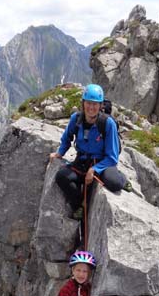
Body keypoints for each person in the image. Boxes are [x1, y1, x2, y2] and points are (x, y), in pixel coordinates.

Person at [50, 83, 130, 220]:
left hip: (103, 163)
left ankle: (122, 178)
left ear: (100, 106)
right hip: (81, 162)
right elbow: (67, 138)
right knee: (62, 177)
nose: (91, 107)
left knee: (114, 183)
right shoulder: (76, 119)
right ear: (83, 103)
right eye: (88, 103)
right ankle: (80, 205)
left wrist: (94, 169)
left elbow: (112, 156)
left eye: (95, 104)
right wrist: (60, 153)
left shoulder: (107, 123)